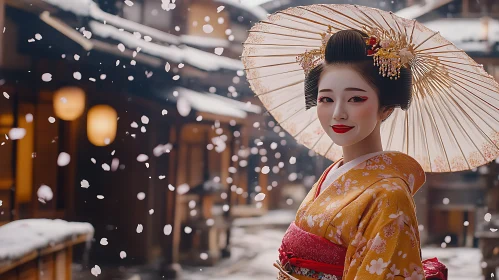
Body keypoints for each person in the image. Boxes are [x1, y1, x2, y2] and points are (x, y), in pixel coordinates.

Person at [274, 30, 447, 280]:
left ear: (386, 108)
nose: (338, 113)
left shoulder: (389, 196)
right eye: (326, 99)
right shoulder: (335, 172)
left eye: (356, 98)